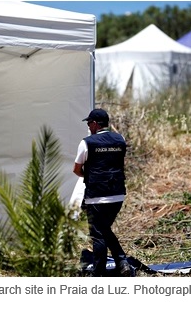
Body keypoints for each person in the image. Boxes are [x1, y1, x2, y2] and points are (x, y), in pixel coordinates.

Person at [73, 108, 132, 277]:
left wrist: (90, 176)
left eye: (89, 123)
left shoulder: (87, 143)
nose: (88, 127)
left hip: (96, 197)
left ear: (94, 124)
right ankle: (122, 262)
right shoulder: (120, 139)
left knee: (98, 234)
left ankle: (98, 273)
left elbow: (76, 169)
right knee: (104, 229)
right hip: (118, 194)